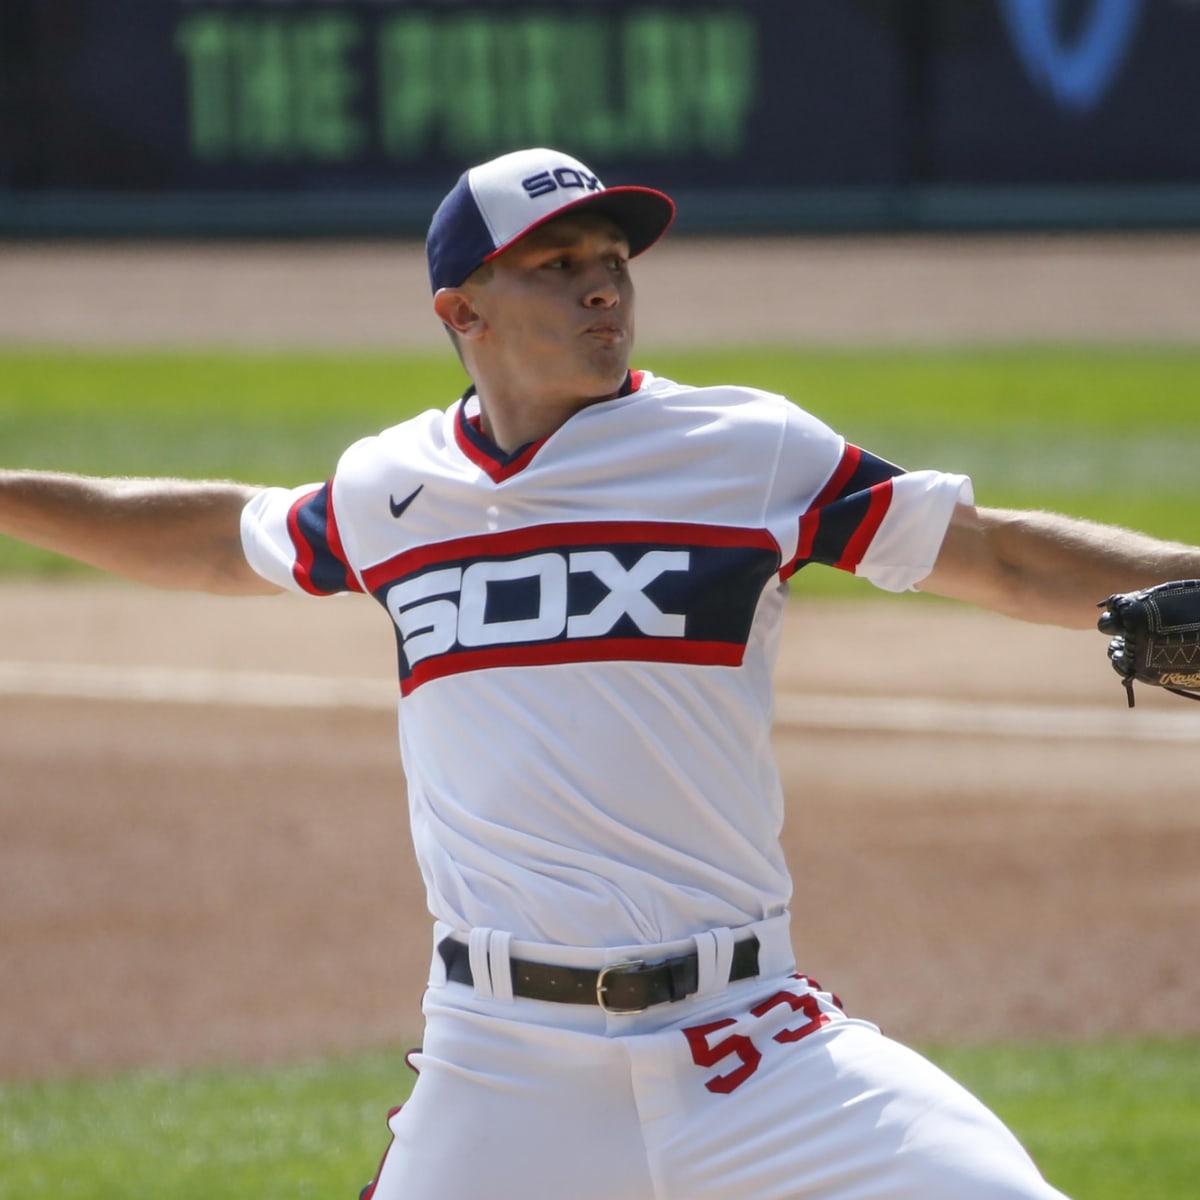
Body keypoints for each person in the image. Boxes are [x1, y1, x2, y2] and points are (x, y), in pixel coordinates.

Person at [1, 147, 1196, 1200]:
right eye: (555, 260)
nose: (601, 282)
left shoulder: (745, 451)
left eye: (613, 254)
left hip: (752, 1044)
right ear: (461, 309)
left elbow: (989, 551)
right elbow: (217, 536)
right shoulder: (389, 489)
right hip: (500, 1063)